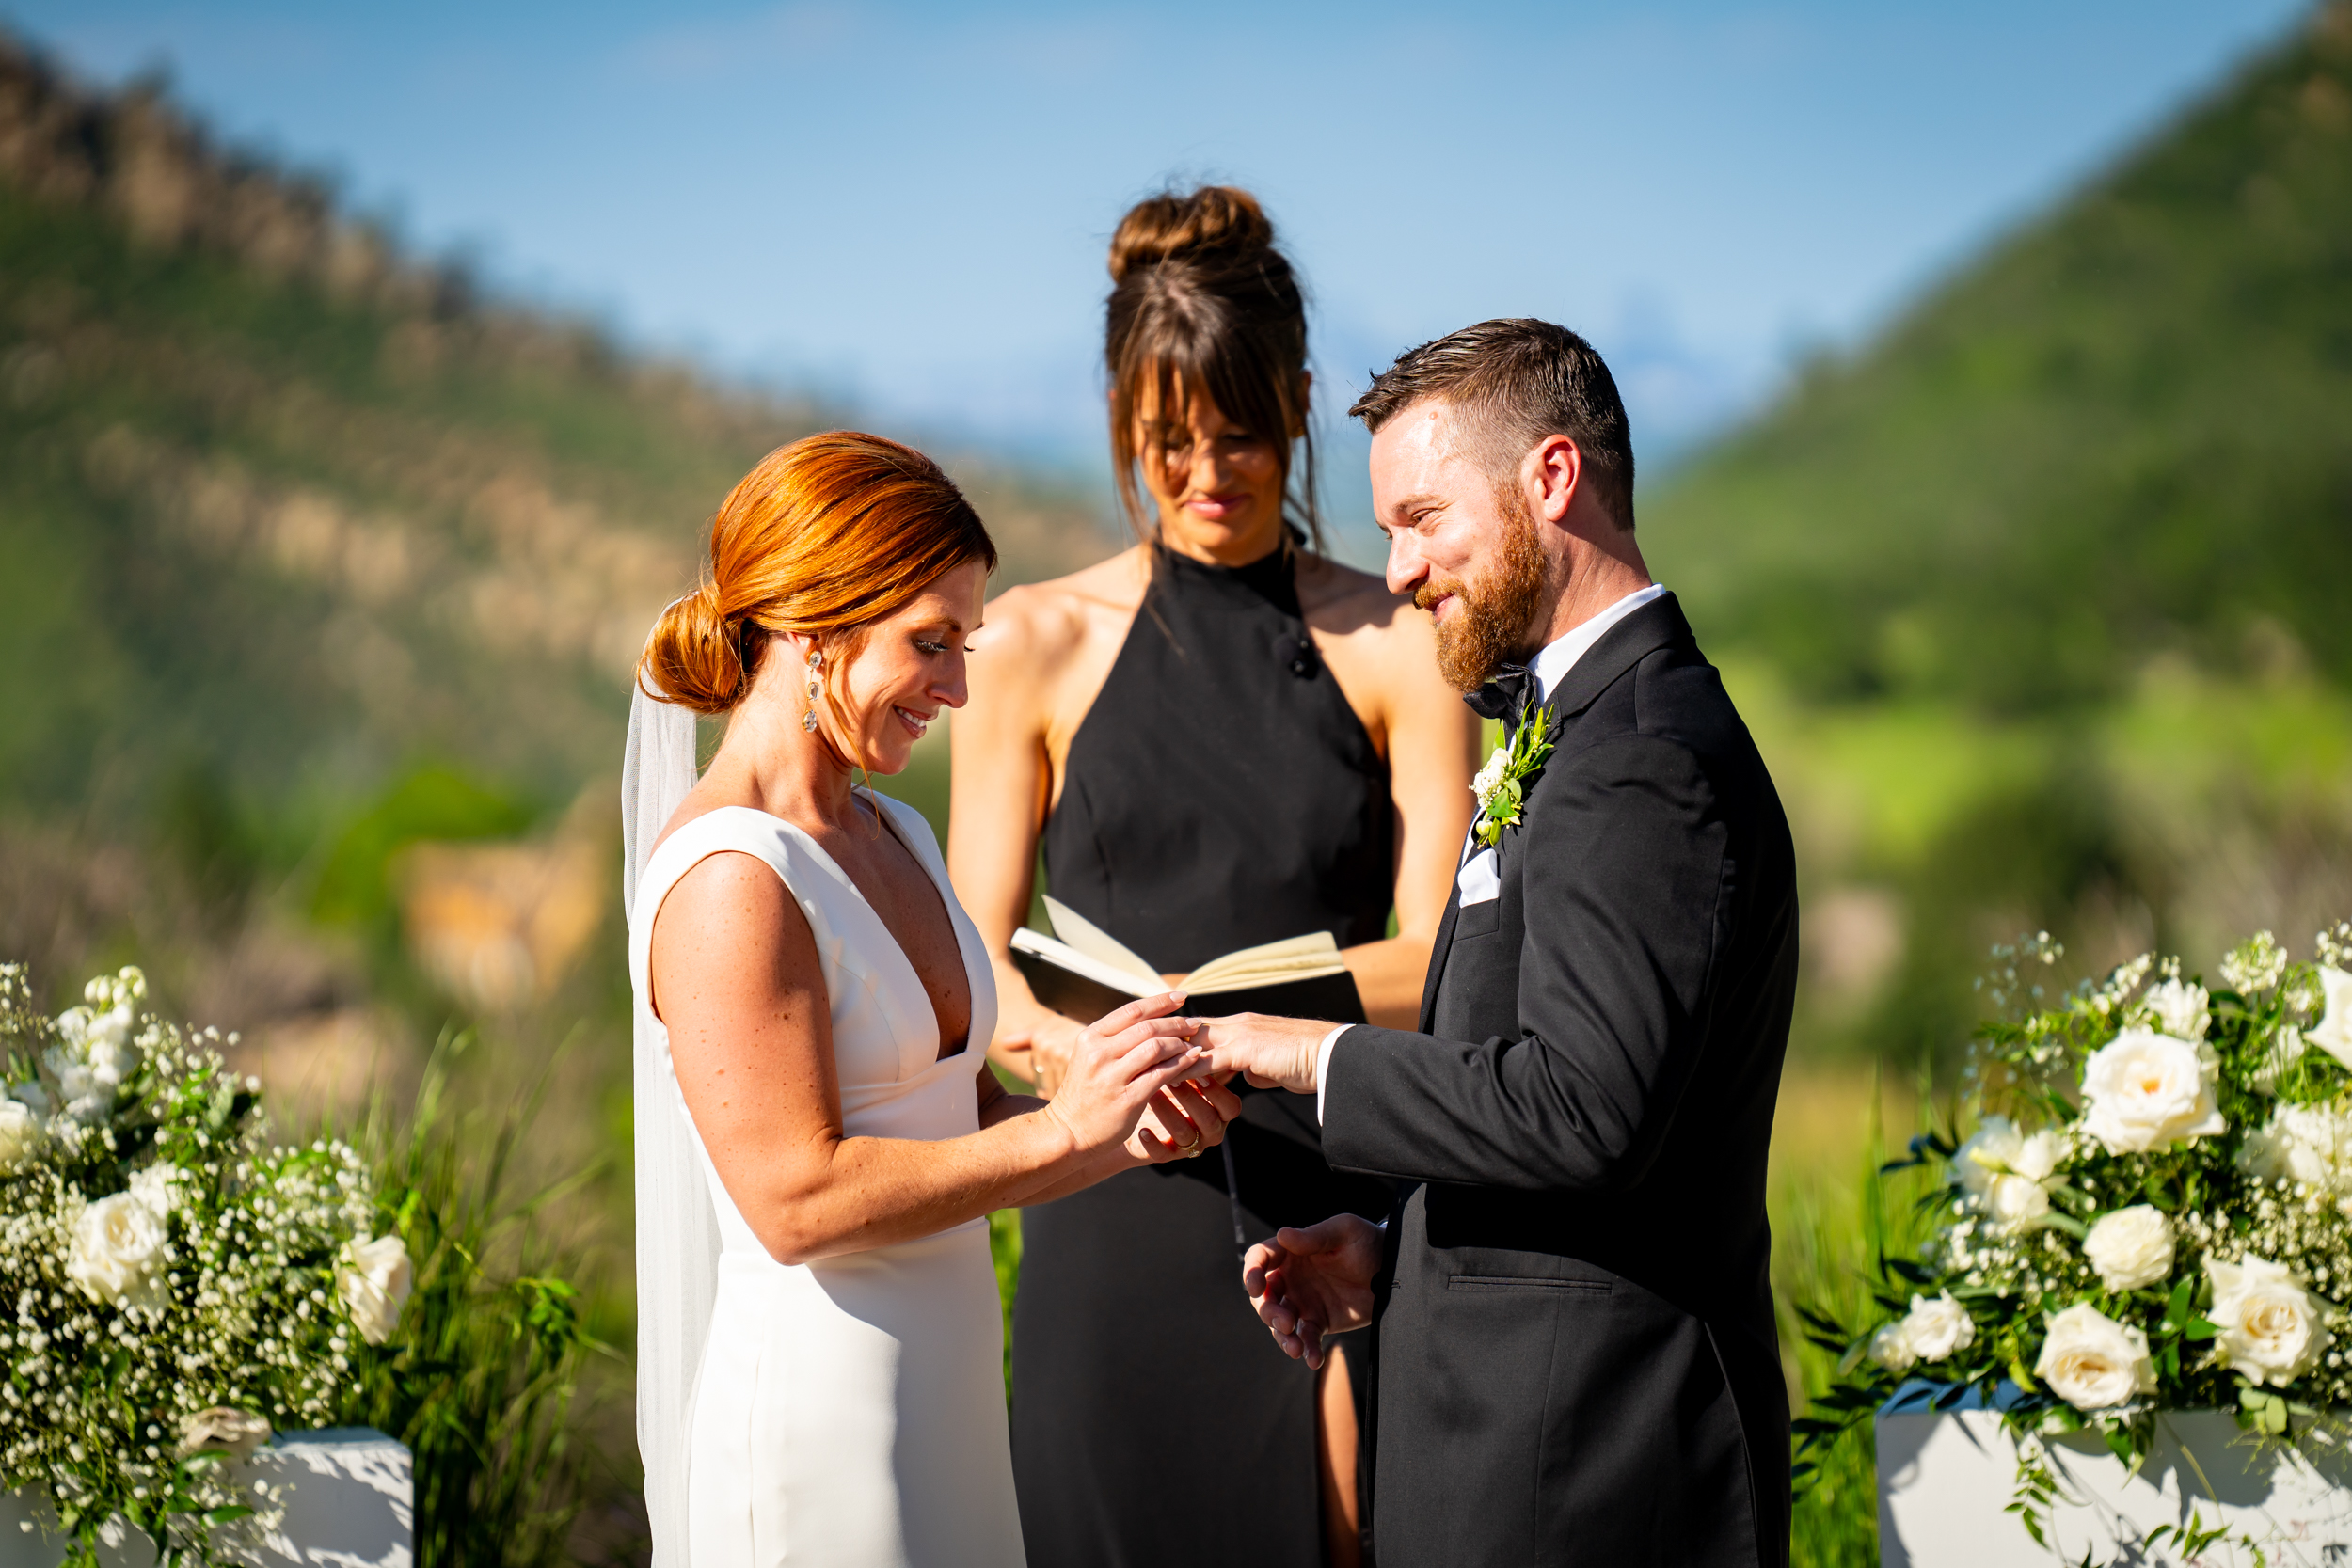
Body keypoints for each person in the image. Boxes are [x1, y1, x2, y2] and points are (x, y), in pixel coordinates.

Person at [1196, 319, 1801, 1567]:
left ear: (1553, 476)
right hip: (1515, 1447)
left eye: (1423, 517)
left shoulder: (1636, 754)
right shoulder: (1574, 733)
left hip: (1592, 1467)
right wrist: (1395, 1250)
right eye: (1386, 531)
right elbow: (1545, 1095)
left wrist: (1312, 1053)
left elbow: (1584, 1108)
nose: (1402, 568)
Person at [948, 187, 1478, 1567]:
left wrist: (1254, 1022)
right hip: (1106, 1209)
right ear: (1124, 420)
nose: (1206, 473)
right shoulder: (1028, 646)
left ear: (1301, 403)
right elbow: (972, 962)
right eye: (1168, 441)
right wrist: (1086, 1071)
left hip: (1327, 1218)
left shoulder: (1402, 649)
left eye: (1238, 435)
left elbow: (1446, 956)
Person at [621, 431, 1242, 1568]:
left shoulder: (895, 828)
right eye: (930, 642)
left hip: (943, 1400)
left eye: (966, 643)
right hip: (815, 1426)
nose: (958, 688)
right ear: (816, 624)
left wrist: (1121, 1119)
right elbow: (795, 1197)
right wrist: (1063, 1126)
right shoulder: (730, 878)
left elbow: (958, 1118)